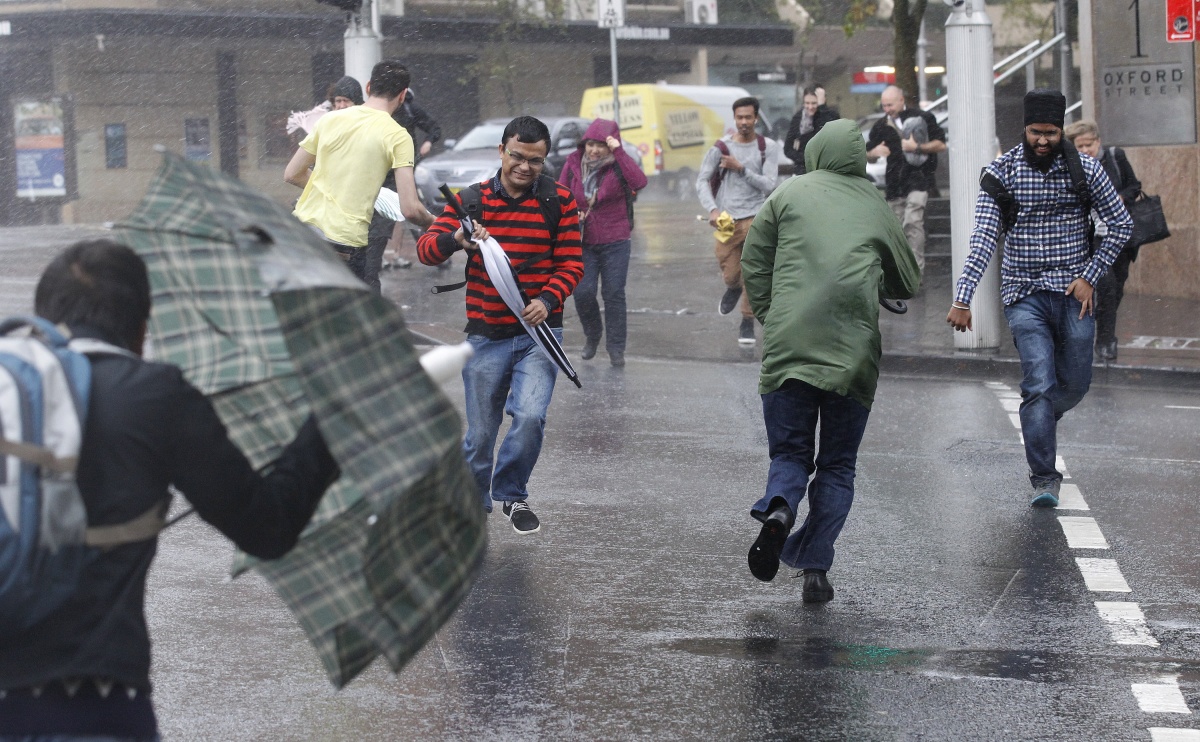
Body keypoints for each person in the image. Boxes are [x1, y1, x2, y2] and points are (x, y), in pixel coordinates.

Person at [0, 239, 341, 739]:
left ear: (45, 317)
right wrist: (329, 415)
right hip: (93, 706)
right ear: (141, 326)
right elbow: (268, 528)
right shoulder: (155, 395)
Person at [741, 119, 920, 604]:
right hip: (852, 355)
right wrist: (874, 277)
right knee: (838, 466)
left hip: (789, 347)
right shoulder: (873, 203)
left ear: (816, 153)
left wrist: (771, 314)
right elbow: (908, 279)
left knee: (790, 454)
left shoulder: (786, 194)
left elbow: (755, 259)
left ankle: (779, 509)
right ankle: (816, 566)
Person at [946, 89, 1132, 508]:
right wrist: (963, 298)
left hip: (1073, 292)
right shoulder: (1003, 172)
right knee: (1038, 381)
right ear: (1024, 129)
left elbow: (1120, 225)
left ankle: (1041, 417)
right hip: (1023, 292)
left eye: (1050, 132)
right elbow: (983, 238)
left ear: (1061, 129)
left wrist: (1089, 275)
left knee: (1077, 383)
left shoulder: (1086, 169)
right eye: (1035, 132)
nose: (1043, 140)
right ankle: (1044, 478)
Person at [416, 116, 583, 535]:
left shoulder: (558, 201)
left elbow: (571, 263)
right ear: (502, 152)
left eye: (536, 161)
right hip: (485, 334)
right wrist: (457, 238)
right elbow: (425, 251)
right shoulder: (470, 202)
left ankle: (512, 494)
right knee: (480, 435)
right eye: (518, 157)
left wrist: (548, 299)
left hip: (539, 336)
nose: (526, 167)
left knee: (529, 417)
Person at [284, 60, 435, 292]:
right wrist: (434, 222)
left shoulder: (329, 119)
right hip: (343, 244)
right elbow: (410, 208)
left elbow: (292, 174)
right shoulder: (397, 136)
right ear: (403, 95)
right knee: (352, 315)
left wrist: (330, 192)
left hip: (303, 234)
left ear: (367, 87)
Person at [559, 118, 648, 367]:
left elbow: (640, 182)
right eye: (590, 144)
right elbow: (560, 194)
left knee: (614, 294)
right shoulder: (573, 163)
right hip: (583, 240)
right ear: (584, 144)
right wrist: (571, 211)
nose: (595, 150)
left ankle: (616, 348)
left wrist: (619, 151)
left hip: (615, 239)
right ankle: (593, 334)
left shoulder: (618, 164)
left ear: (609, 146)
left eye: (601, 145)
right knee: (583, 292)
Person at [696, 96, 782, 345]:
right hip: (726, 220)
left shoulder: (768, 147)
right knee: (732, 273)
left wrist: (741, 168)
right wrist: (712, 209)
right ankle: (732, 287)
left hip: (757, 217)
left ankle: (747, 320)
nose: (744, 122)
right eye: (739, 117)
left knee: (754, 273)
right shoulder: (720, 148)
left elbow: (769, 185)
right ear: (734, 118)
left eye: (748, 117)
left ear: (756, 118)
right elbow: (702, 179)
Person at [1063, 119, 1143, 362]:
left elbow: (1134, 186)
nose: (1086, 150)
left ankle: (1104, 329)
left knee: (1116, 288)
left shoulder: (1115, 157)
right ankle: (1105, 341)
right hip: (1093, 238)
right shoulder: (1072, 168)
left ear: (1098, 141)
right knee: (1106, 286)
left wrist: (1121, 197)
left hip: (1120, 237)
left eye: (1090, 144)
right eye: (1080, 146)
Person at [363, 88, 446, 282]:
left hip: (404, 169)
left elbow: (434, 128)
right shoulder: (375, 113)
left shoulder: (410, 109)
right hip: (381, 173)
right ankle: (393, 253)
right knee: (396, 213)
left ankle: (424, 249)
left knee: (406, 210)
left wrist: (428, 142)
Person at [865, 85, 947, 273]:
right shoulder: (880, 126)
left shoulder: (923, 118)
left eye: (890, 105)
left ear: (902, 100)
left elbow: (940, 144)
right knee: (896, 230)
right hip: (894, 182)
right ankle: (900, 272)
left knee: (913, 221)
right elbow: (867, 152)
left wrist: (917, 147)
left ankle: (916, 271)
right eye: (884, 106)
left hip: (919, 178)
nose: (887, 109)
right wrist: (873, 152)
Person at [782, 84, 839, 175]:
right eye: (807, 103)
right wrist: (806, 159)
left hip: (825, 172)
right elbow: (787, 149)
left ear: (823, 101)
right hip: (802, 172)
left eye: (814, 103)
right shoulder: (798, 118)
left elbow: (826, 134)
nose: (810, 107)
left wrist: (822, 108)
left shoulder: (831, 115)